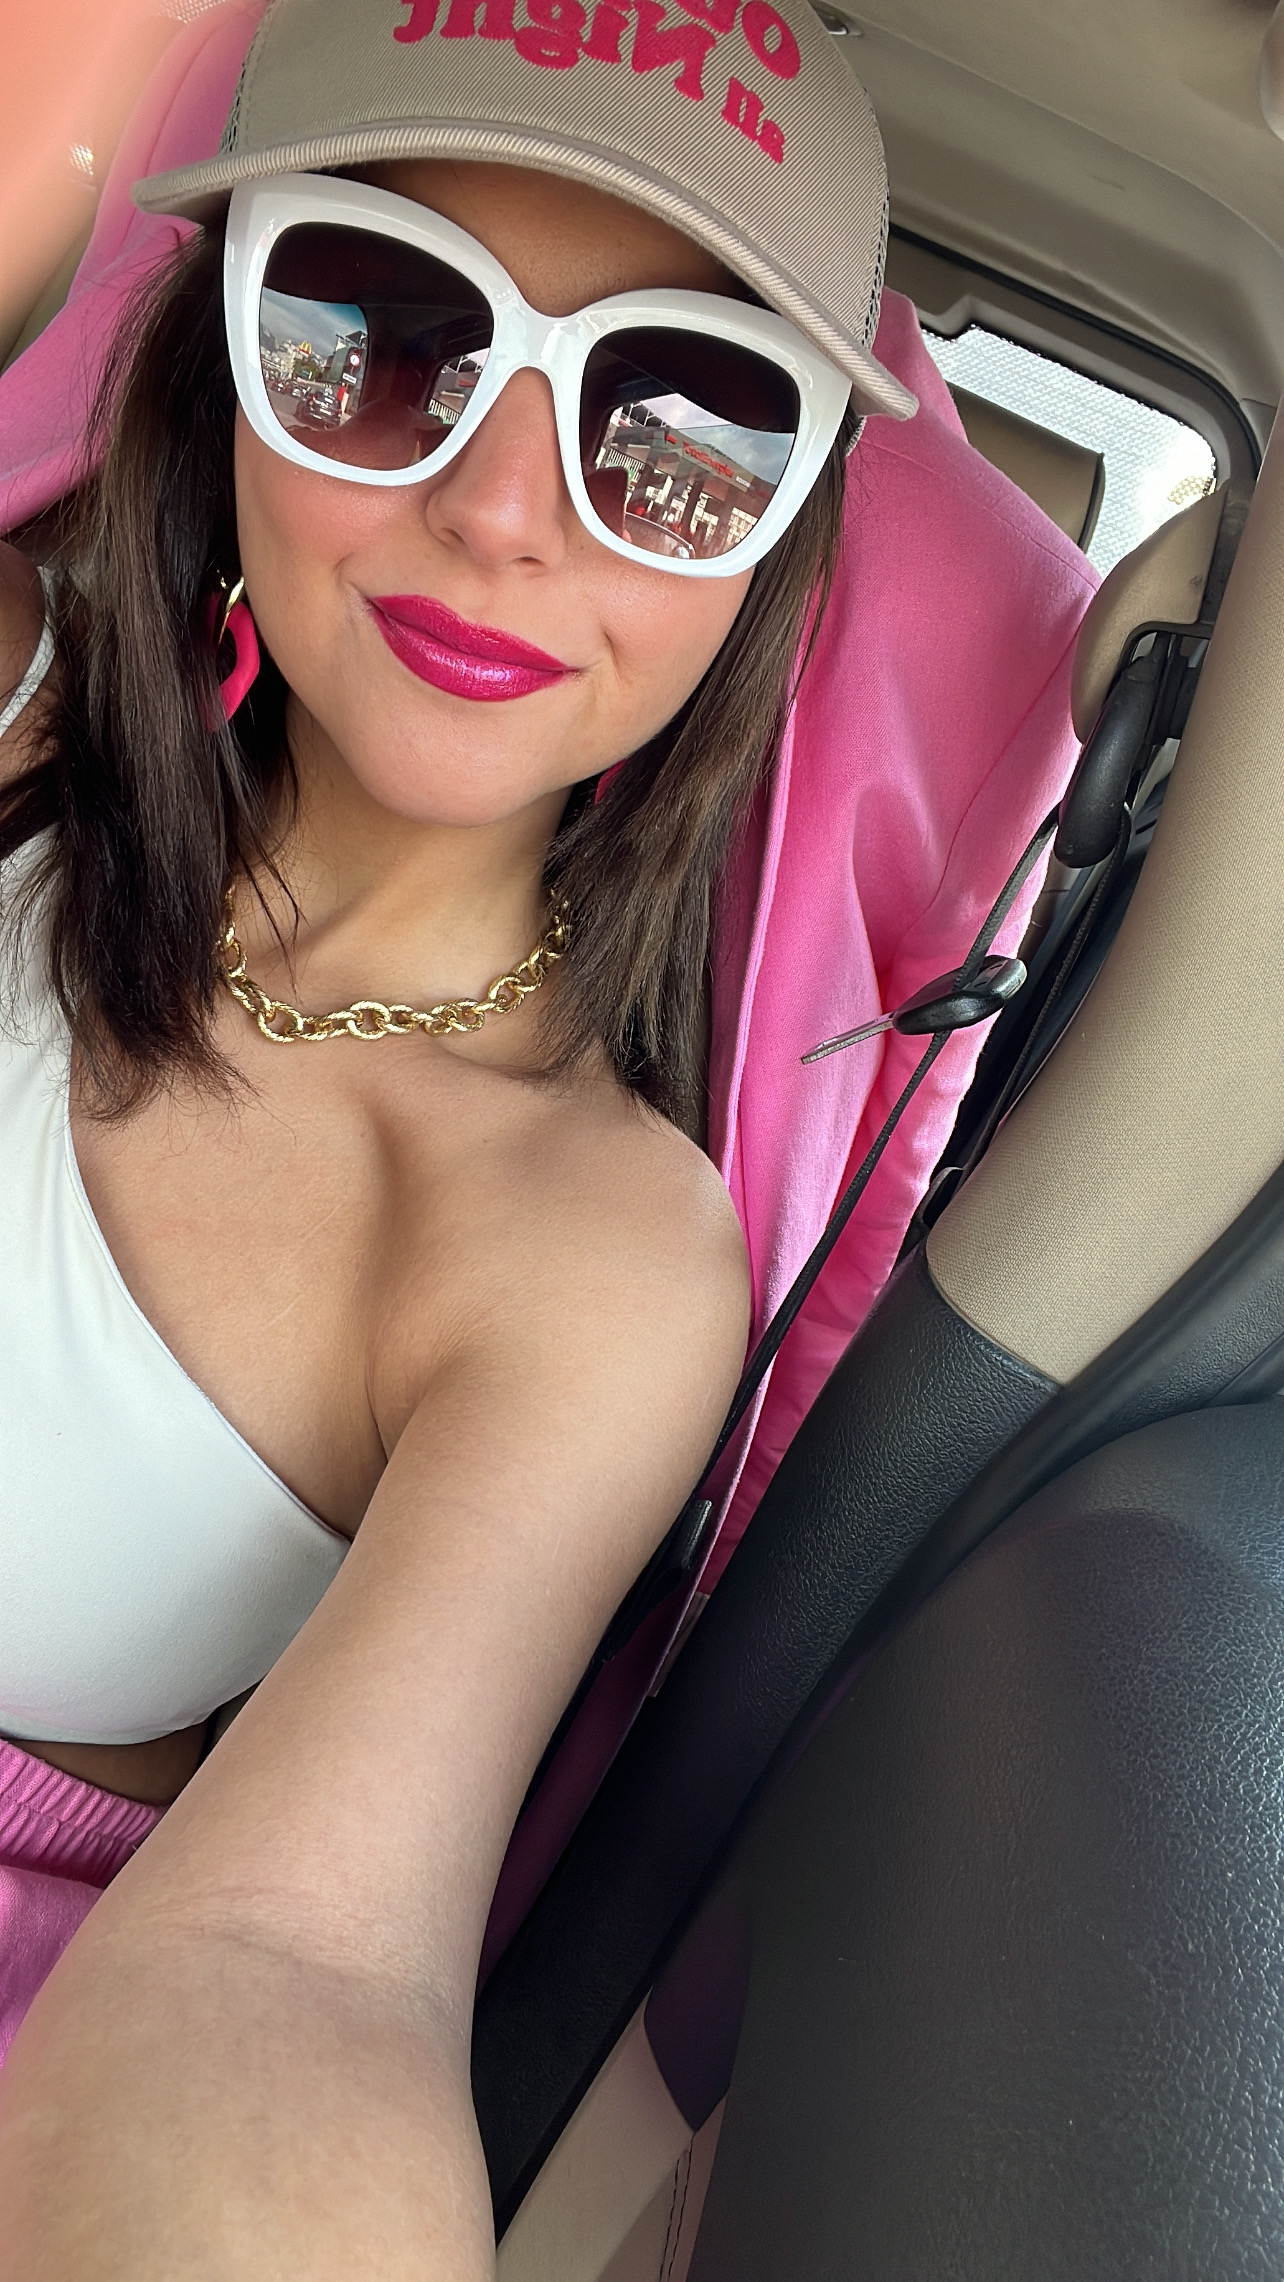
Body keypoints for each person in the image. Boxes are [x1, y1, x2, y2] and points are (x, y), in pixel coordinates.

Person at [0, 0, 981, 2267]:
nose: (504, 511)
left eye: (683, 424)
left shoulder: (588, 1252)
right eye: (374, 334)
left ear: (771, 548)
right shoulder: (26, 723)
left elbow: (303, 1975)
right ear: (221, 361)